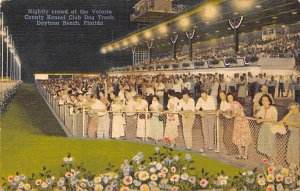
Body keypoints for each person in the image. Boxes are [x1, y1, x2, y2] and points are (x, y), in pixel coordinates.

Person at [227, 93, 252, 160]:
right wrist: (230, 113)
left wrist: (231, 114)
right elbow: (230, 113)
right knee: (237, 138)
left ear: (233, 97)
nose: (230, 99)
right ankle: (240, 153)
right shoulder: (230, 105)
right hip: (237, 122)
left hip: (243, 122)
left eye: (231, 97)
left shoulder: (236, 103)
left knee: (245, 138)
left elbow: (236, 113)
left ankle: (246, 154)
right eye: (228, 98)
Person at [255, 94, 278, 161]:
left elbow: (274, 120)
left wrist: (263, 120)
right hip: (264, 127)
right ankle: (270, 159)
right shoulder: (262, 107)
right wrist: (257, 117)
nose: (264, 101)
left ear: (269, 101)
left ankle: (274, 161)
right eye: (263, 100)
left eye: (266, 100)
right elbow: (258, 115)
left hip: (271, 127)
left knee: (271, 143)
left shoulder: (273, 108)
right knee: (265, 143)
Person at [278, 102, 300, 167]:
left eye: (295, 109)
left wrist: (287, 122)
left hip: (298, 136)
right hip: (292, 136)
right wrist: (289, 113)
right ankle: (292, 167)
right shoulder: (291, 115)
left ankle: (298, 168)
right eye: (291, 109)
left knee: (296, 152)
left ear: (298, 108)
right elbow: (282, 121)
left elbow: (298, 124)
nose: (293, 111)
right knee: (291, 151)